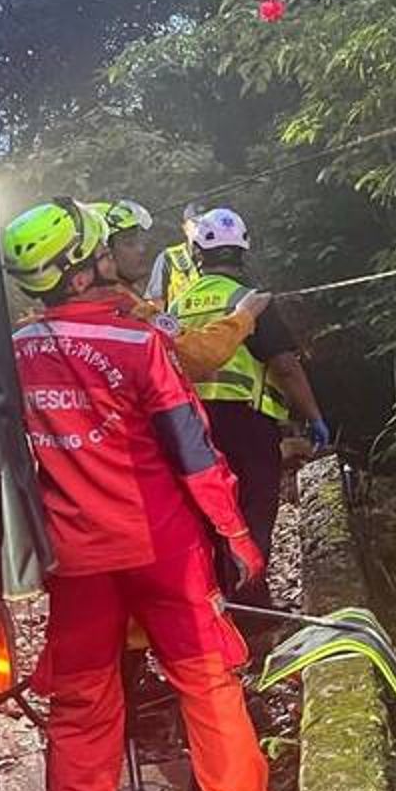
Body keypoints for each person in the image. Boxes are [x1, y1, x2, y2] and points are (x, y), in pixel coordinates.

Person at [1, 198, 279, 791]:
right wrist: (235, 534)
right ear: (79, 271)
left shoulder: (12, 354)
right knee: (207, 683)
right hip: (162, 550)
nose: (110, 258)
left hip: (75, 560)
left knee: (81, 698)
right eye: (102, 252)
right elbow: (194, 451)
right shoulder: (137, 344)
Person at [170, 207, 329, 603]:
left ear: (197, 252)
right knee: (253, 511)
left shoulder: (176, 308)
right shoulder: (250, 301)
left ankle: (221, 603)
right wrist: (314, 416)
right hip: (247, 424)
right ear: (243, 250)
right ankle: (252, 607)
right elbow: (285, 366)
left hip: (192, 428)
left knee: (212, 515)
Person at [90, 197, 270, 379]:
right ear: (99, 254)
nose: (141, 248)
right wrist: (243, 316)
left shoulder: (94, 308)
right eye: (129, 243)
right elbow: (195, 356)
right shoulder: (125, 308)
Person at [146, 200, 206, 308]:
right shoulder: (169, 257)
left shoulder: (223, 255)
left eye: (206, 224)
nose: (201, 229)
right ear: (185, 227)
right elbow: (156, 302)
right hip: (179, 318)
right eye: (196, 223)